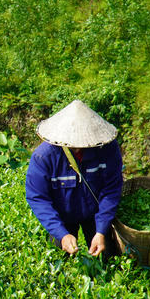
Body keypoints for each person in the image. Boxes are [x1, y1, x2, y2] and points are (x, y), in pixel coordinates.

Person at [25, 99, 123, 256]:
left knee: (107, 257)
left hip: (96, 212)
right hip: (62, 216)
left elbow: (111, 189)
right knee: (61, 261)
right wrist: (61, 233)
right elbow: (37, 197)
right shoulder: (44, 157)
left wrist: (102, 230)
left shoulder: (107, 150)